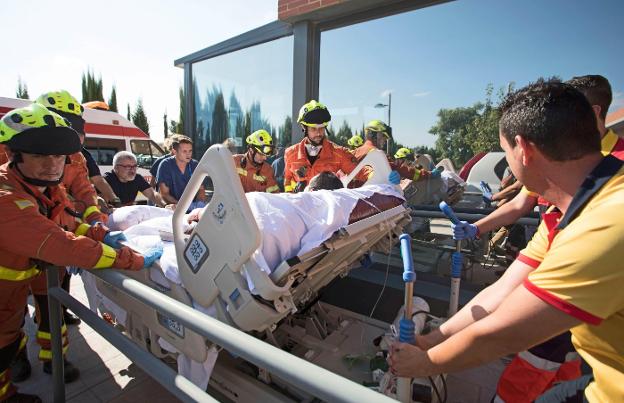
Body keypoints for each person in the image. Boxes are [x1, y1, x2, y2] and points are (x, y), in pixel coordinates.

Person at [388, 78, 624, 402]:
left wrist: (422, 363)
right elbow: (503, 290)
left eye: (505, 149)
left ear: (524, 150)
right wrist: (431, 340)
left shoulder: (606, 223)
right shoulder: (568, 210)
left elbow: (502, 334)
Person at [0, 104, 162, 402]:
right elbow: (63, 244)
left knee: (8, 340)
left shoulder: (44, 187)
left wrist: (104, 234)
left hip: (17, 280)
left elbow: (67, 218)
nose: (52, 165)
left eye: (59, 156)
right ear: (12, 155)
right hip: (5, 288)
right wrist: (132, 259)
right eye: (38, 155)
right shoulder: (7, 199)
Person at [283, 100, 376, 192]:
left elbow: (361, 171)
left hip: (327, 205)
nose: (318, 133)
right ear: (304, 128)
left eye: (321, 128)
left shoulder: (338, 153)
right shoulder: (290, 154)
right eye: (313, 129)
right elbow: (288, 181)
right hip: (301, 205)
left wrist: (377, 174)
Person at [156, 135, 206, 206]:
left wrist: (200, 204)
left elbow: (201, 189)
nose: (188, 154)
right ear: (174, 151)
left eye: (190, 151)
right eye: (184, 151)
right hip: (171, 208)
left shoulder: (194, 165)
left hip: (190, 208)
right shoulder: (165, 165)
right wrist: (182, 207)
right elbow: (164, 194)